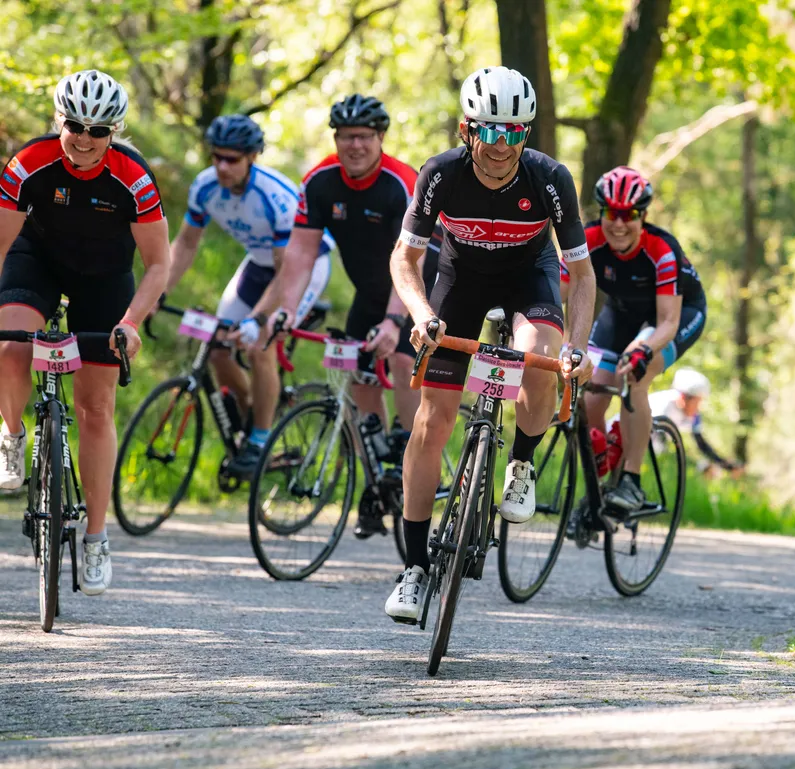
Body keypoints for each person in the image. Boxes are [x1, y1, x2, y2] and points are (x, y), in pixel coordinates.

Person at [384, 66, 596, 622]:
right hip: (461, 281)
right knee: (432, 421)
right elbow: (405, 258)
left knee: (541, 362)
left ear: (526, 133)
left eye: (515, 132)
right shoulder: (440, 174)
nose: (502, 145)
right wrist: (423, 314)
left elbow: (582, 274)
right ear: (467, 129)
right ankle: (413, 568)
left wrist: (576, 347)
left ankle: (520, 464)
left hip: (530, 278)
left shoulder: (550, 178)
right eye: (491, 130)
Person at [0, 70, 169, 594]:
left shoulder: (133, 177)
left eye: (98, 130)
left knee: (96, 407)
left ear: (113, 132)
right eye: (75, 125)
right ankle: (12, 434)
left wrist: (130, 323)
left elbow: (159, 265)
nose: (85, 138)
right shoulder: (29, 162)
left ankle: (96, 537)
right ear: (60, 120)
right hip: (36, 261)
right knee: (10, 347)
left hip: (104, 277)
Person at [275, 94, 427, 536]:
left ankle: (412, 454)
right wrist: (287, 310)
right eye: (345, 136)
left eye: (363, 136)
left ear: (380, 138)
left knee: (401, 358)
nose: (354, 145)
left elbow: (411, 261)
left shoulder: (402, 183)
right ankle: (378, 476)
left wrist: (395, 321)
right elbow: (301, 252)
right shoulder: (320, 181)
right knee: (356, 373)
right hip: (370, 291)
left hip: (419, 283)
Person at [164, 114, 334, 477]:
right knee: (218, 344)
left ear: (252, 157)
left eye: (232, 159)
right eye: (217, 157)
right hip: (259, 263)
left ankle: (260, 440)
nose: (222, 167)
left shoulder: (275, 197)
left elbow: (287, 271)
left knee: (259, 345)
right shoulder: (205, 187)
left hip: (302, 267)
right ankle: (254, 413)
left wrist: (258, 318)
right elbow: (185, 245)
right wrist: (156, 293)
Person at [562, 166, 709, 508]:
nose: (618, 223)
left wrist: (644, 350)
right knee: (590, 396)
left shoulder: (662, 249)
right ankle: (601, 478)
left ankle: (631, 479)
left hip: (676, 315)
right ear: (601, 212)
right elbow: (558, 292)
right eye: (611, 213)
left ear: (642, 216)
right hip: (621, 313)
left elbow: (668, 321)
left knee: (634, 374)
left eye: (628, 215)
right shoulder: (588, 240)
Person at [649, 369, 741, 478]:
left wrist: (726, 465)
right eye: (697, 402)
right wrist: (700, 466)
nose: (698, 408)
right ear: (683, 398)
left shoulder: (694, 415)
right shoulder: (663, 407)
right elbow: (661, 448)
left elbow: (701, 444)